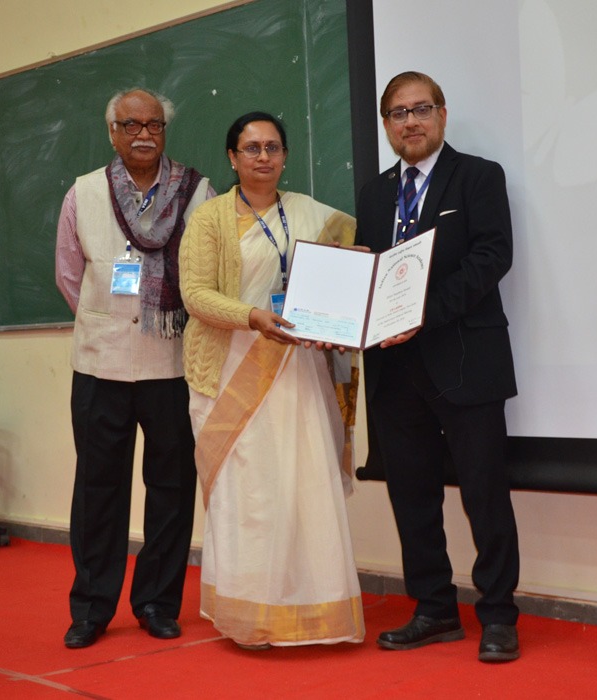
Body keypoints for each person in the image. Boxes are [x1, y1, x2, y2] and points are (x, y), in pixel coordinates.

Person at [178, 112, 365, 649]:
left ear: (285, 156)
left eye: (273, 147)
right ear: (232, 158)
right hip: (231, 368)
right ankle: (247, 613)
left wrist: (350, 267)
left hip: (300, 369)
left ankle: (310, 608)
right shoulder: (210, 219)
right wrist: (252, 316)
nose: (264, 157)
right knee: (249, 496)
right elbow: (195, 294)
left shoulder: (308, 212)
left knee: (305, 487)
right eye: (251, 148)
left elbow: (347, 255)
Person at [355, 71, 521, 663]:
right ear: (387, 126)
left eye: (421, 108)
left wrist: (420, 316)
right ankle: (434, 609)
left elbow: (491, 257)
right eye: (398, 113)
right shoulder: (374, 195)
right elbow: (368, 277)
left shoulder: (478, 176)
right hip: (394, 371)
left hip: (465, 361)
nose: (410, 122)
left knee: (484, 494)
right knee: (412, 496)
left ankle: (499, 615)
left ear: (442, 114)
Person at [55, 87, 214, 649]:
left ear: (164, 131)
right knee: (98, 488)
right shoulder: (84, 192)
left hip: (171, 363)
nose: (144, 133)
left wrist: (155, 322)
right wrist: (113, 321)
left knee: (171, 487)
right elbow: (69, 275)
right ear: (112, 132)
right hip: (99, 363)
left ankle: (156, 602)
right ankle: (92, 608)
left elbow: (207, 272)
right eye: (131, 124)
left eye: (154, 124)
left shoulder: (197, 193)